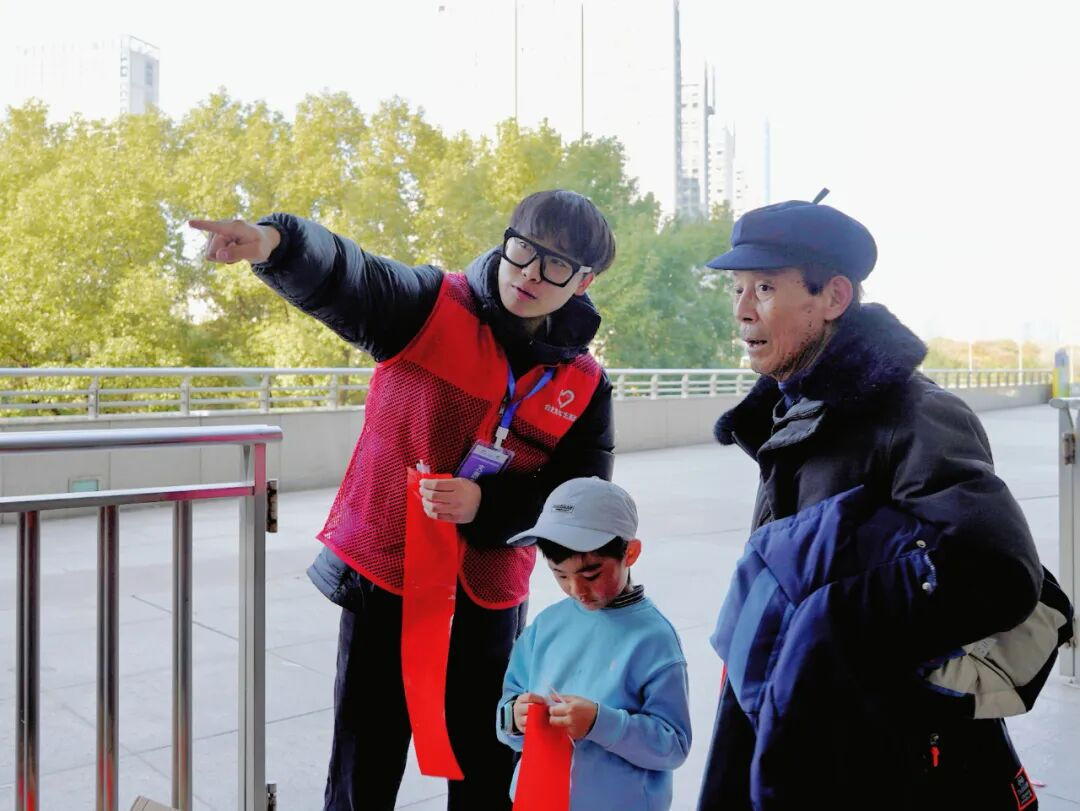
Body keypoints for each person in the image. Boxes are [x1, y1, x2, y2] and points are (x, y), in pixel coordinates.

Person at [190, 189, 617, 811]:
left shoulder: (583, 383)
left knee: (486, 758)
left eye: (556, 265)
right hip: (387, 575)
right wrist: (277, 244)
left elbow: (580, 498)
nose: (529, 273)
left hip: (488, 591)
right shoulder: (428, 307)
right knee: (365, 755)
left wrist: (488, 506)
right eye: (523, 250)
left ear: (583, 281)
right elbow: (351, 274)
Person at [696, 190, 1047, 811]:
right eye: (737, 289)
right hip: (806, 734)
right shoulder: (793, 410)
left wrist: (826, 626)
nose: (743, 311)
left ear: (834, 297)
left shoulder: (914, 413)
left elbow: (1000, 571)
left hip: (886, 758)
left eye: (766, 288)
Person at [496, 477, 692, 811]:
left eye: (591, 574)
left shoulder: (654, 640)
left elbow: (673, 746)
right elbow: (507, 707)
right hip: (537, 799)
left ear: (630, 553)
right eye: (560, 574)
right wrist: (515, 716)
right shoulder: (546, 625)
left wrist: (600, 723)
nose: (577, 590)